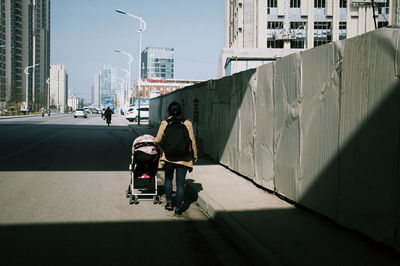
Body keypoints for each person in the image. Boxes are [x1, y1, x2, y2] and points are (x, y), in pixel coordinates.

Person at [154, 101, 198, 215]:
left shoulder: (165, 123)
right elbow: (192, 141)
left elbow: (157, 140)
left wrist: (163, 147)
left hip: (169, 157)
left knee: (168, 180)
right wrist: (195, 156)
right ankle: (178, 208)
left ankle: (169, 202)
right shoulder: (187, 123)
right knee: (180, 184)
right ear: (180, 111)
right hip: (184, 159)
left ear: (169, 111)